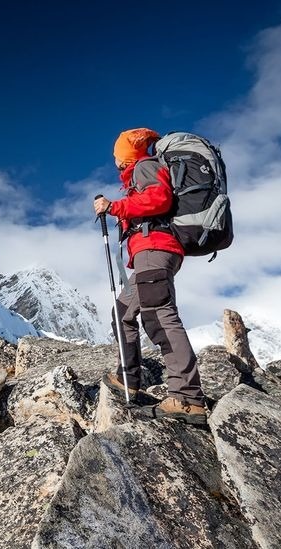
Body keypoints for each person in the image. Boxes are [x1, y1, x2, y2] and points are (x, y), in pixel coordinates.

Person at [93, 128, 207, 424]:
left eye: (117, 154)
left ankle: (187, 398)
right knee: (123, 313)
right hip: (149, 254)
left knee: (159, 315)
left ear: (125, 155)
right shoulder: (138, 175)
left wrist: (114, 206)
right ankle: (127, 378)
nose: (115, 160)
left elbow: (160, 200)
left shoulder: (145, 167)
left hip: (155, 249)